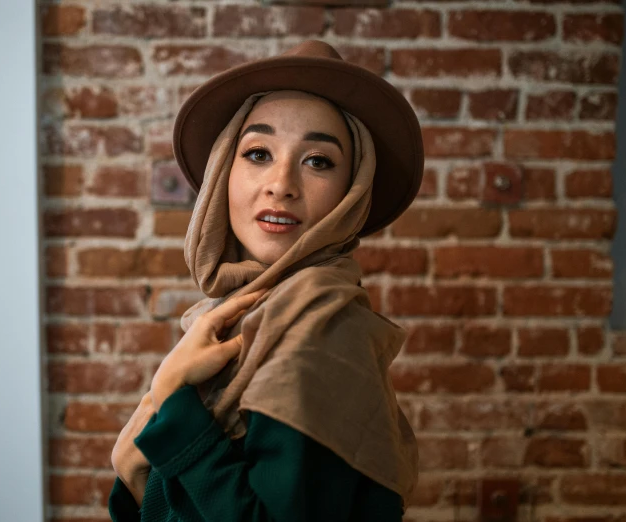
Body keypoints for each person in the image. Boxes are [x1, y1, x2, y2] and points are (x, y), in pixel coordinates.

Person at [108, 39, 423, 521]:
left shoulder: (321, 331)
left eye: (317, 160)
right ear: (222, 173)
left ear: (351, 194)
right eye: (257, 153)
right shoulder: (231, 316)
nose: (281, 184)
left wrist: (170, 397)